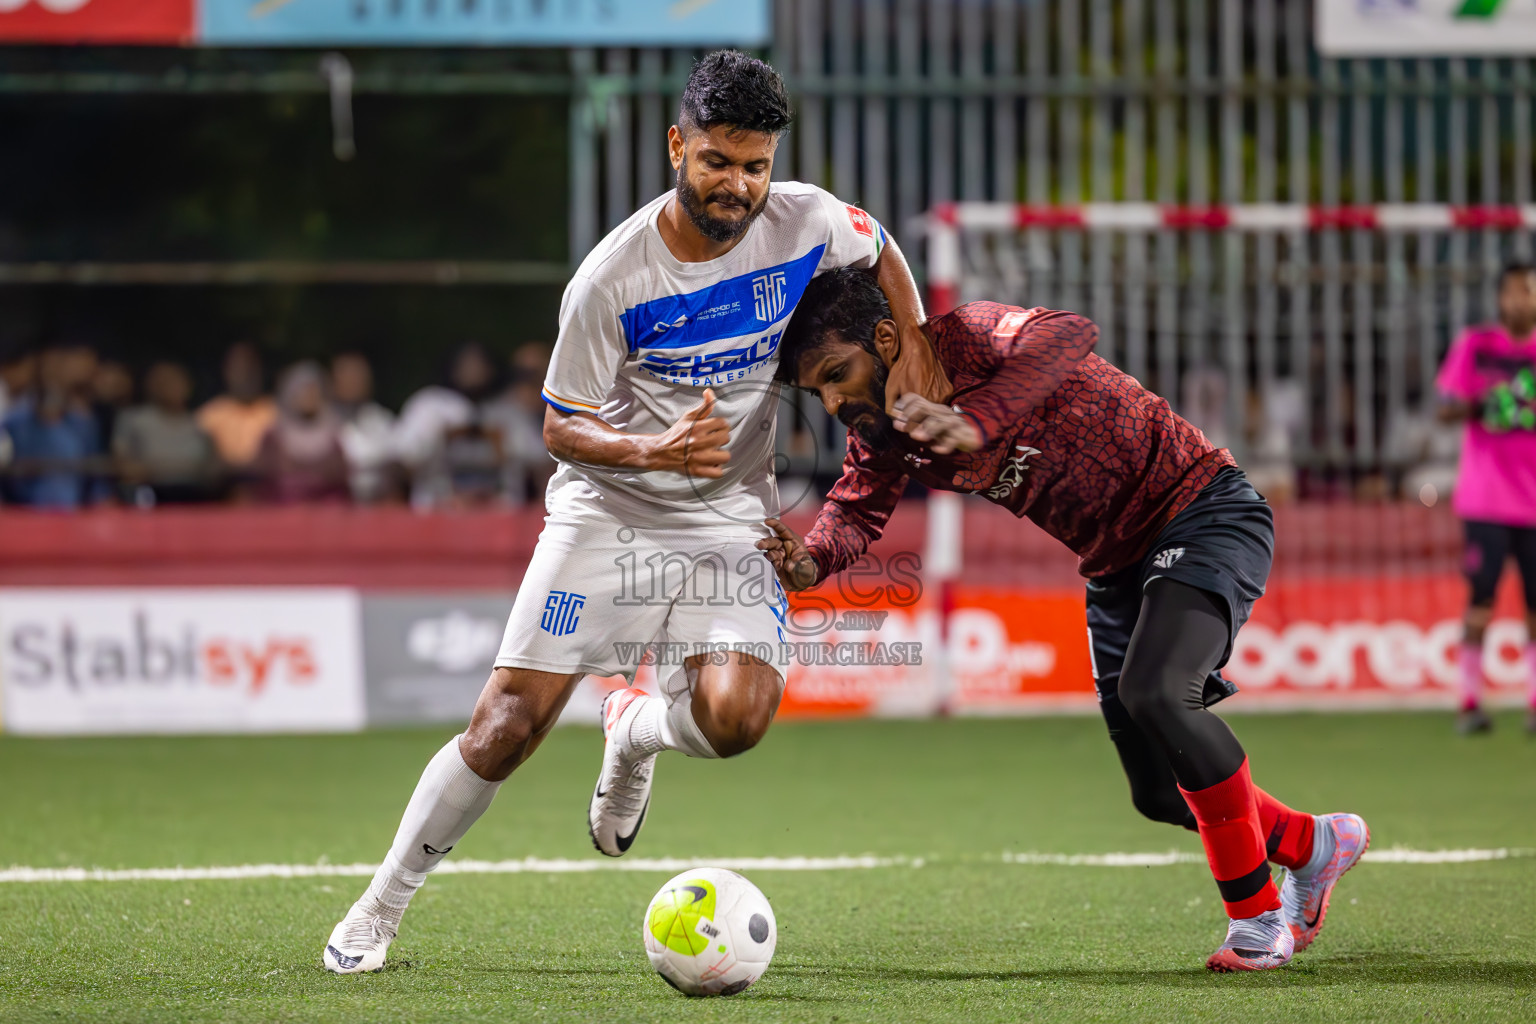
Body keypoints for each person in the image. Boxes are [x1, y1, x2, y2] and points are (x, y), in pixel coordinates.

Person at [321, 50, 924, 974]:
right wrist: (651, 450)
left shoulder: (808, 219)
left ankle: (634, 728)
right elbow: (561, 423)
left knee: (736, 722)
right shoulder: (612, 277)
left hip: (731, 514)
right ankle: (381, 905)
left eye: (755, 165)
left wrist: (915, 353)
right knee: (506, 727)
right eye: (718, 161)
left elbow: (881, 254)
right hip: (609, 509)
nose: (738, 185)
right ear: (678, 145)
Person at [759, 268, 1370, 973]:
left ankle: (1259, 923)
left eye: (838, 373)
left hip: (1202, 509)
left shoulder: (970, 336)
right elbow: (854, 510)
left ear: (888, 338)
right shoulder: (885, 434)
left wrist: (978, 417)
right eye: (818, 391)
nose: (833, 399)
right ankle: (1313, 845)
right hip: (1114, 567)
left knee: (1157, 692)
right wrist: (809, 561)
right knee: (1158, 794)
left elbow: (1068, 334)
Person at [1435, 261, 1536, 735]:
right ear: (1501, 298)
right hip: (1487, 499)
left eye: (1530, 292)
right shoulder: (1477, 345)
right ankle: (1469, 701)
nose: (1523, 300)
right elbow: (1445, 409)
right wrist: (1485, 403)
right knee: (1481, 601)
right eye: (1515, 292)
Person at [392, 342, 505, 508]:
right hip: (435, 509)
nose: (474, 370)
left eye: (480, 364)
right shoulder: (428, 404)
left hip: (488, 511)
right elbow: (407, 458)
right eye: (467, 364)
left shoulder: (503, 411)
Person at [0, 343, 107, 509]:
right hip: (25, 516)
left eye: (57, 370)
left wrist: (102, 503)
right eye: (46, 370)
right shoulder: (14, 422)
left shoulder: (84, 424)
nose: (51, 378)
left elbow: (97, 481)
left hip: (73, 515)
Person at [112, 362, 220, 505]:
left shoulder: (200, 423)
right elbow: (121, 462)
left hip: (194, 498)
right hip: (149, 497)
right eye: (164, 381)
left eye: (177, 381)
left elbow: (214, 465)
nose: (172, 387)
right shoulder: (134, 420)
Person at [253, 361, 350, 504]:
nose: (309, 397)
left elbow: (341, 477)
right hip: (281, 511)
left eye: (313, 391)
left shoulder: (334, 433)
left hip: (327, 513)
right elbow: (262, 481)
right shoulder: (274, 436)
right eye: (304, 391)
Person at [197, 342, 277, 477]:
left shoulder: (276, 412)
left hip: (267, 486)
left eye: (250, 368)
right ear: (226, 371)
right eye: (239, 369)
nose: (245, 375)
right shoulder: (209, 414)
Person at [330, 352, 398, 504]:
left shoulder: (382, 419)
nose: (355, 381)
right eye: (348, 375)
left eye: (359, 375)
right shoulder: (322, 423)